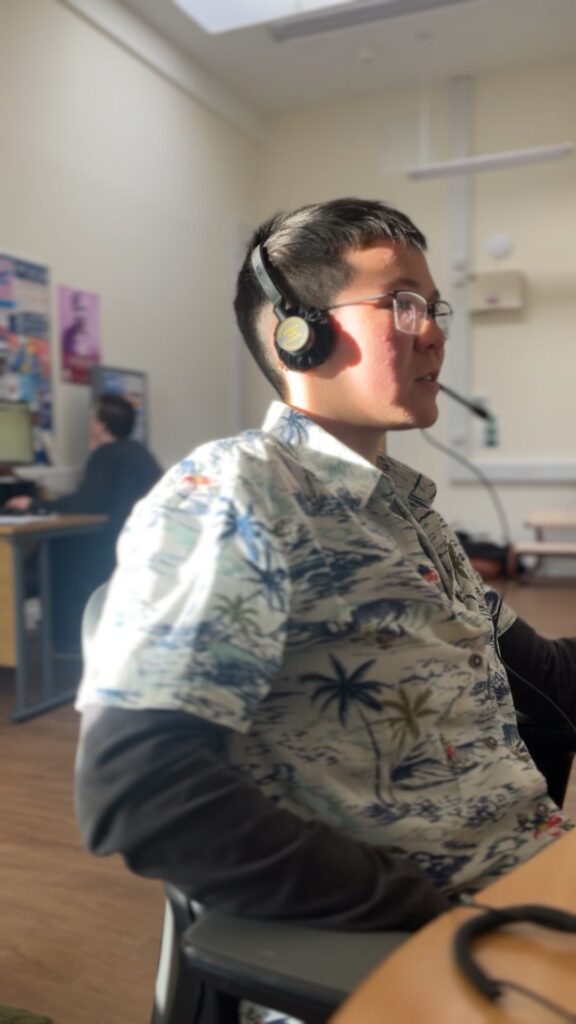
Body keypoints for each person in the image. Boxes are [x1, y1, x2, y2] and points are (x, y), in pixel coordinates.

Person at [75, 200, 575, 1016]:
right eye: (403, 305)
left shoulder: (406, 514)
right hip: (437, 946)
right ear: (297, 332)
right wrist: (413, 908)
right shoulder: (239, 493)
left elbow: (549, 677)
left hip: (534, 884)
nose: (435, 333)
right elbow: (140, 790)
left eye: (434, 309)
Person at [7, 392, 162, 650]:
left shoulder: (107, 454)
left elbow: (86, 503)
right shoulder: (140, 453)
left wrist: (34, 505)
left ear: (101, 425)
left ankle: (62, 644)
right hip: (133, 548)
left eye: (92, 418)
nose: (89, 424)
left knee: (50, 551)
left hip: (107, 550)